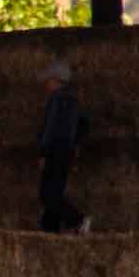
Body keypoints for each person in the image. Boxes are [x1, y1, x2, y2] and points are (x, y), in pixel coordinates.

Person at [37, 61, 90, 235]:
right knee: (54, 190)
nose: (45, 85)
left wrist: (44, 152)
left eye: (48, 81)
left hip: (56, 149)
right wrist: (76, 145)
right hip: (67, 150)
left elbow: (50, 127)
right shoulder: (74, 101)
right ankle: (50, 229)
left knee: (48, 193)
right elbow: (83, 125)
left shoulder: (56, 99)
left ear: (56, 81)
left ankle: (78, 220)